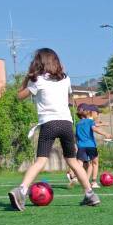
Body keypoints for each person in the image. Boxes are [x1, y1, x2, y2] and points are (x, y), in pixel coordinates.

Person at [9, 48, 99, 210]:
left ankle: (21, 190)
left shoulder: (37, 81)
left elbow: (19, 96)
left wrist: (27, 79)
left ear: (38, 63)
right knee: (72, 161)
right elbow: (66, 94)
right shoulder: (65, 79)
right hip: (65, 123)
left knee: (41, 160)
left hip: (49, 124)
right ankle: (90, 193)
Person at [75, 104, 111, 187]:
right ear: (92, 113)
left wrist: (76, 145)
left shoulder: (78, 123)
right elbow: (94, 128)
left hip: (81, 146)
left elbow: (76, 136)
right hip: (91, 146)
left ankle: (78, 178)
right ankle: (94, 182)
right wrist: (105, 134)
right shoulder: (91, 122)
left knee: (79, 163)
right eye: (97, 113)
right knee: (94, 163)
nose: (98, 115)